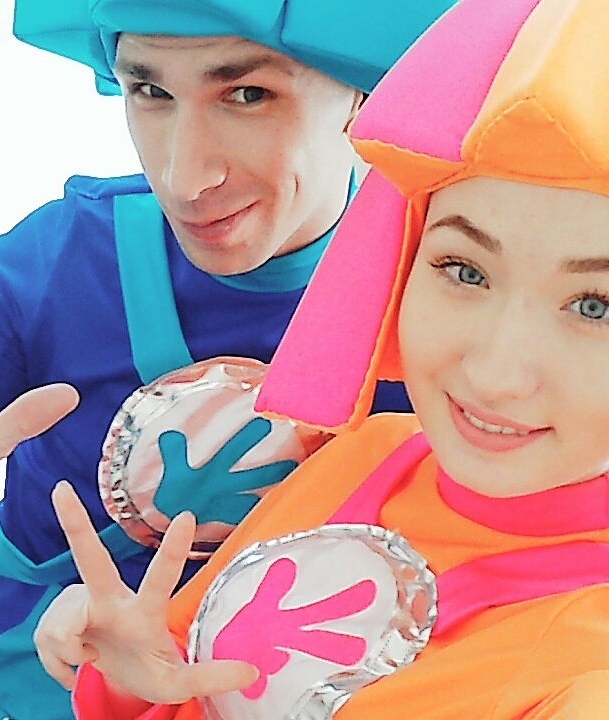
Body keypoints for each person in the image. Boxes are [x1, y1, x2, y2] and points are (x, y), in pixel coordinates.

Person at [34, 0, 609, 717]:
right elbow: (181, 684)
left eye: (595, 307)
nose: (495, 374)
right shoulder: (366, 450)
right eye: (464, 269)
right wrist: (126, 681)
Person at [0, 1, 457, 718]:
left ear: (361, 93)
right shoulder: (59, 263)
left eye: (247, 94)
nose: (183, 177)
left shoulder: (446, 291)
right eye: (150, 90)